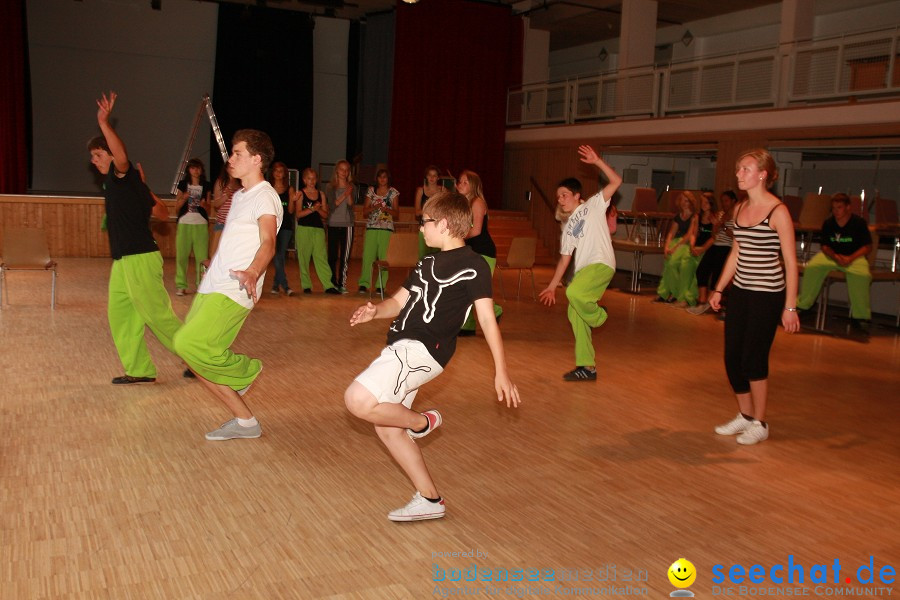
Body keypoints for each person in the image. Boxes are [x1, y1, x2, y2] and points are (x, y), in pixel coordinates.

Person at [344, 190, 520, 521]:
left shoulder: (474, 265)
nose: (421, 228)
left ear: (442, 224)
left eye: (424, 222)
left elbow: (485, 318)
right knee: (387, 428)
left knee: (357, 400)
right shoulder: (427, 262)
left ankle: (423, 422)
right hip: (401, 347)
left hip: (420, 351)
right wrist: (374, 311)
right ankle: (430, 499)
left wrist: (501, 370)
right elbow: (397, 302)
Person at [172, 129, 282, 441]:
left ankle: (245, 370)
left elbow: (269, 243)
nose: (230, 159)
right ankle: (245, 421)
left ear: (256, 159)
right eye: (231, 153)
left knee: (187, 344)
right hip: (214, 283)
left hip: (235, 288)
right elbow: (235, 240)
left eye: (238, 154)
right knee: (194, 357)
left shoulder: (265, 196)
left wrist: (253, 271)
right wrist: (214, 261)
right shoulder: (240, 195)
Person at [89, 91, 183, 385]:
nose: (93, 161)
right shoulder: (123, 184)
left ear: (111, 154)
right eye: (92, 156)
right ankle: (140, 369)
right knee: (120, 316)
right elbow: (163, 214)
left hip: (140, 257)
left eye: (97, 154)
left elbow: (163, 214)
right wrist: (144, 188)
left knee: (158, 317)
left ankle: (200, 358)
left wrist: (104, 123)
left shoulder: (122, 175)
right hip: (123, 261)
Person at [710, 148, 799, 446]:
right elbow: (736, 252)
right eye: (738, 169)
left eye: (745, 169)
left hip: (768, 295)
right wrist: (720, 288)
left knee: (753, 358)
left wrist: (790, 306)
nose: (739, 174)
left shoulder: (778, 212)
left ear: (762, 174)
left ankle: (760, 423)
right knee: (732, 357)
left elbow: (790, 262)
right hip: (742, 293)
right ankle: (745, 416)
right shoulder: (739, 209)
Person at [538, 144, 622, 382]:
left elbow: (616, 181)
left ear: (577, 195)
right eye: (558, 197)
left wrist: (597, 161)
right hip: (586, 270)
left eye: (564, 194)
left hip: (602, 263)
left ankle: (599, 317)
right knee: (574, 312)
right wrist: (553, 285)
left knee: (574, 292)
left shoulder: (593, 205)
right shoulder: (567, 229)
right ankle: (587, 367)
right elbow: (565, 259)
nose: (560, 199)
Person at [796, 192, 873, 334]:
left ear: (848, 208)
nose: (836, 211)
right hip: (831, 256)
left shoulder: (859, 223)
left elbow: (867, 247)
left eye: (839, 207)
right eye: (833, 208)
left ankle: (861, 317)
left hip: (854, 257)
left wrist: (850, 258)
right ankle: (803, 306)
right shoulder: (828, 223)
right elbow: (824, 246)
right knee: (813, 267)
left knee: (862, 275)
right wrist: (836, 257)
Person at [457, 169, 503, 336]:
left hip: (483, 252)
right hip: (469, 251)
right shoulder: (463, 203)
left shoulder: (477, 202)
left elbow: (476, 231)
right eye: (459, 181)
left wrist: (457, 237)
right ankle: (467, 325)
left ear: (473, 185)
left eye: (464, 182)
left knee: (477, 290)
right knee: (465, 288)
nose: (459, 185)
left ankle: (496, 310)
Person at [687, 191, 736, 316]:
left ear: (733, 201)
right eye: (722, 201)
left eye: (726, 200)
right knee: (701, 270)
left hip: (727, 247)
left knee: (717, 274)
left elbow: (734, 236)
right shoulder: (720, 214)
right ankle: (702, 301)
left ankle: (711, 301)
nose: (724, 204)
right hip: (715, 245)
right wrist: (716, 226)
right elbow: (714, 235)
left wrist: (723, 226)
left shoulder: (737, 216)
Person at [292, 168, 339, 294]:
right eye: (309, 178)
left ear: (316, 180)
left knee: (321, 257)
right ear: (304, 180)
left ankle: (328, 285)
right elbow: (298, 215)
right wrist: (312, 209)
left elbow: (325, 215)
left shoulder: (321, 194)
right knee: (304, 258)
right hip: (303, 229)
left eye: (313, 178)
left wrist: (318, 210)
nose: (311, 181)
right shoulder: (301, 194)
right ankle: (306, 285)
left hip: (318, 230)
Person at [357, 169, 399, 295]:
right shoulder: (371, 191)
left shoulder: (393, 193)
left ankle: (380, 285)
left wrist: (386, 209)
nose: (382, 179)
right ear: (377, 178)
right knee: (367, 258)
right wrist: (374, 207)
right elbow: (364, 212)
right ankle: (364, 284)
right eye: (380, 177)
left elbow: (397, 214)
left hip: (386, 229)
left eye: (385, 177)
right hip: (372, 228)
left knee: (384, 259)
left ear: (388, 178)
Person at [174, 158, 212, 296]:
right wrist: (184, 198)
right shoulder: (183, 184)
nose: (196, 171)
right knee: (181, 256)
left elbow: (209, 209)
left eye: (198, 168)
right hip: (184, 223)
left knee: (202, 257)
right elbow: (176, 208)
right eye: (193, 168)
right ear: (188, 170)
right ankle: (181, 285)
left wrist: (204, 205)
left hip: (201, 224)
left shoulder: (206, 185)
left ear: (202, 170)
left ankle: (201, 284)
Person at [654, 192, 698, 307]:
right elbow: (671, 233)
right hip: (676, 242)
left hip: (686, 244)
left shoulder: (694, 216)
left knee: (675, 264)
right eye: (682, 200)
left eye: (686, 200)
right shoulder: (678, 216)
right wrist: (666, 247)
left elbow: (689, 235)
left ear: (691, 202)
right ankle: (666, 293)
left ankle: (676, 293)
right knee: (669, 264)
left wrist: (674, 248)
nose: (684, 203)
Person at [325, 159, 356, 294]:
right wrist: (345, 194)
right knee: (332, 255)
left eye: (346, 169)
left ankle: (342, 283)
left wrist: (349, 192)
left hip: (347, 224)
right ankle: (333, 282)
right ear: (337, 170)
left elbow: (350, 204)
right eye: (342, 169)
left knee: (345, 256)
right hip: (333, 223)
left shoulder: (351, 186)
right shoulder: (330, 187)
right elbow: (333, 204)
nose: (344, 172)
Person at [268, 161, 296, 296]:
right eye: (276, 171)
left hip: (285, 226)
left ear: (285, 173)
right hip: (271, 226)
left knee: (280, 255)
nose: (279, 173)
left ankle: (277, 285)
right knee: (277, 255)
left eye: (281, 171)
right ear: (272, 173)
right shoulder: (268, 188)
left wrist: (292, 199)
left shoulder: (289, 189)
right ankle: (283, 285)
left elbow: (291, 211)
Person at [210, 165, 240, 257]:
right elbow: (216, 204)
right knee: (215, 255)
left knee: (232, 255)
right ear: (226, 169)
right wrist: (225, 197)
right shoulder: (221, 182)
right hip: (222, 223)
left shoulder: (241, 184)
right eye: (230, 167)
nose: (232, 168)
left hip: (235, 224)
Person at [414, 165, 443, 258]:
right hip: (424, 227)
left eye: (434, 175)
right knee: (423, 257)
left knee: (438, 257)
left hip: (438, 228)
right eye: (430, 175)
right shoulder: (420, 190)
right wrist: (429, 211)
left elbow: (447, 211)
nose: (432, 178)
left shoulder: (443, 190)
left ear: (438, 177)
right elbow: (417, 212)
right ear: (426, 176)